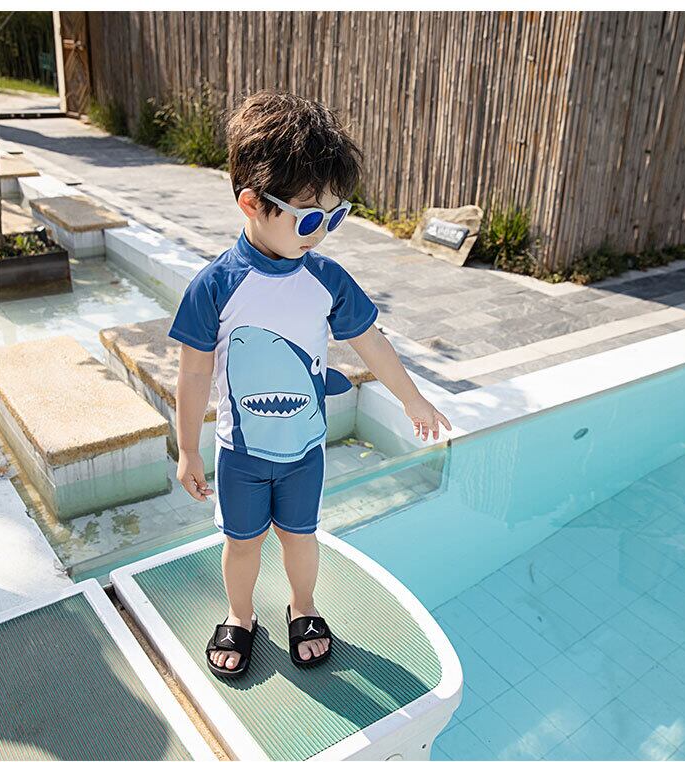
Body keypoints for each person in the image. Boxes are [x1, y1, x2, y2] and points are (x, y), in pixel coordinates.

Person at [168, 89, 452, 678]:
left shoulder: (327, 279)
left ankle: (303, 606)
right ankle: (241, 615)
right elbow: (194, 371)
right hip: (242, 454)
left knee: (301, 538)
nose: (321, 233)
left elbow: (371, 341)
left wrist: (413, 398)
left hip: (304, 453)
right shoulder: (215, 286)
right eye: (310, 218)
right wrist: (188, 447)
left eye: (334, 217)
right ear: (251, 203)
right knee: (242, 544)